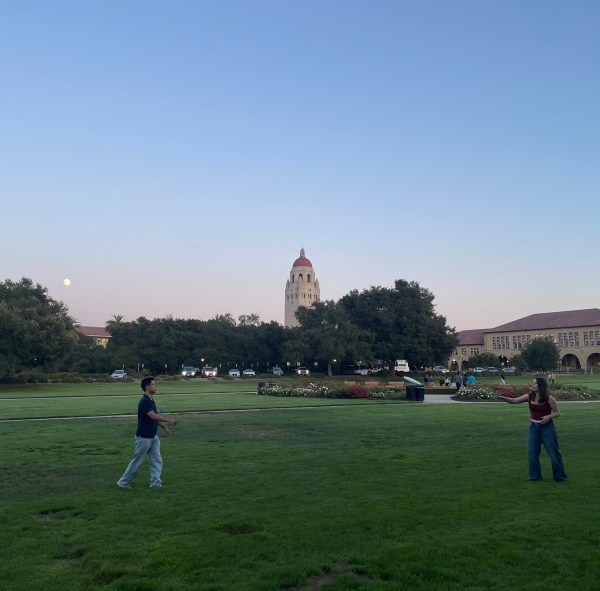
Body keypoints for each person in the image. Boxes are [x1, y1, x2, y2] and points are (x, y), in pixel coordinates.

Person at [498, 377, 567, 482]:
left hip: (547, 429)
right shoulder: (529, 396)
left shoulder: (549, 398)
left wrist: (548, 417)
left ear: (541, 386)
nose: (533, 385)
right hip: (533, 428)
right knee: (532, 454)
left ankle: (560, 477)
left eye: (535, 383)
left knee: (553, 454)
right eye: (532, 383)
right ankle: (535, 477)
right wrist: (503, 398)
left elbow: (557, 412)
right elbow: (514, 400)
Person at [117, 376, 177, 489]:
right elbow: (153, 415)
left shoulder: (151, 400)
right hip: (143, 438)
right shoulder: (144, 401)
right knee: (137, 462)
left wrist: (164, 427)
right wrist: (169, 420)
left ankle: (155, 484)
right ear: (147, 387)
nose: (155, 386)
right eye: (153, 384)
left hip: (153, 437)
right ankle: (123, 482)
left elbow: (154, 419)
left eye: (155, 384)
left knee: (157, 461)